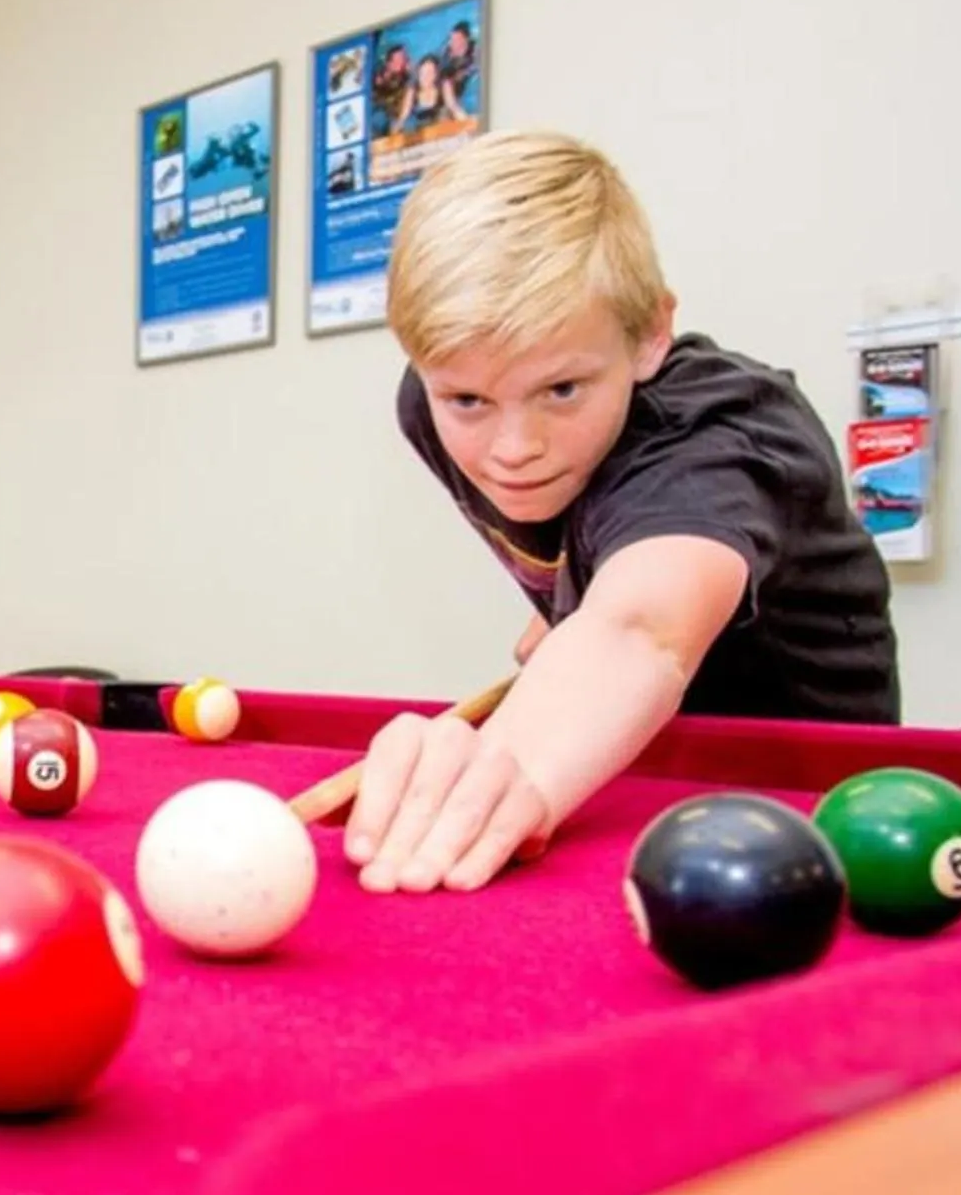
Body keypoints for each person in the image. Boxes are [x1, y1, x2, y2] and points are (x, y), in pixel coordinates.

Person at [345, 130, 898, 896]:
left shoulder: (723, 433)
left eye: (562, 390)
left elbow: (642, 629)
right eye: (467, 399)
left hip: (819, 812)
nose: (513, 449)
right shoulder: (427, 407)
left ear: (649, 335)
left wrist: (491, 777)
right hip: (624, 774)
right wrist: (572, 612)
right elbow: (611, 566)